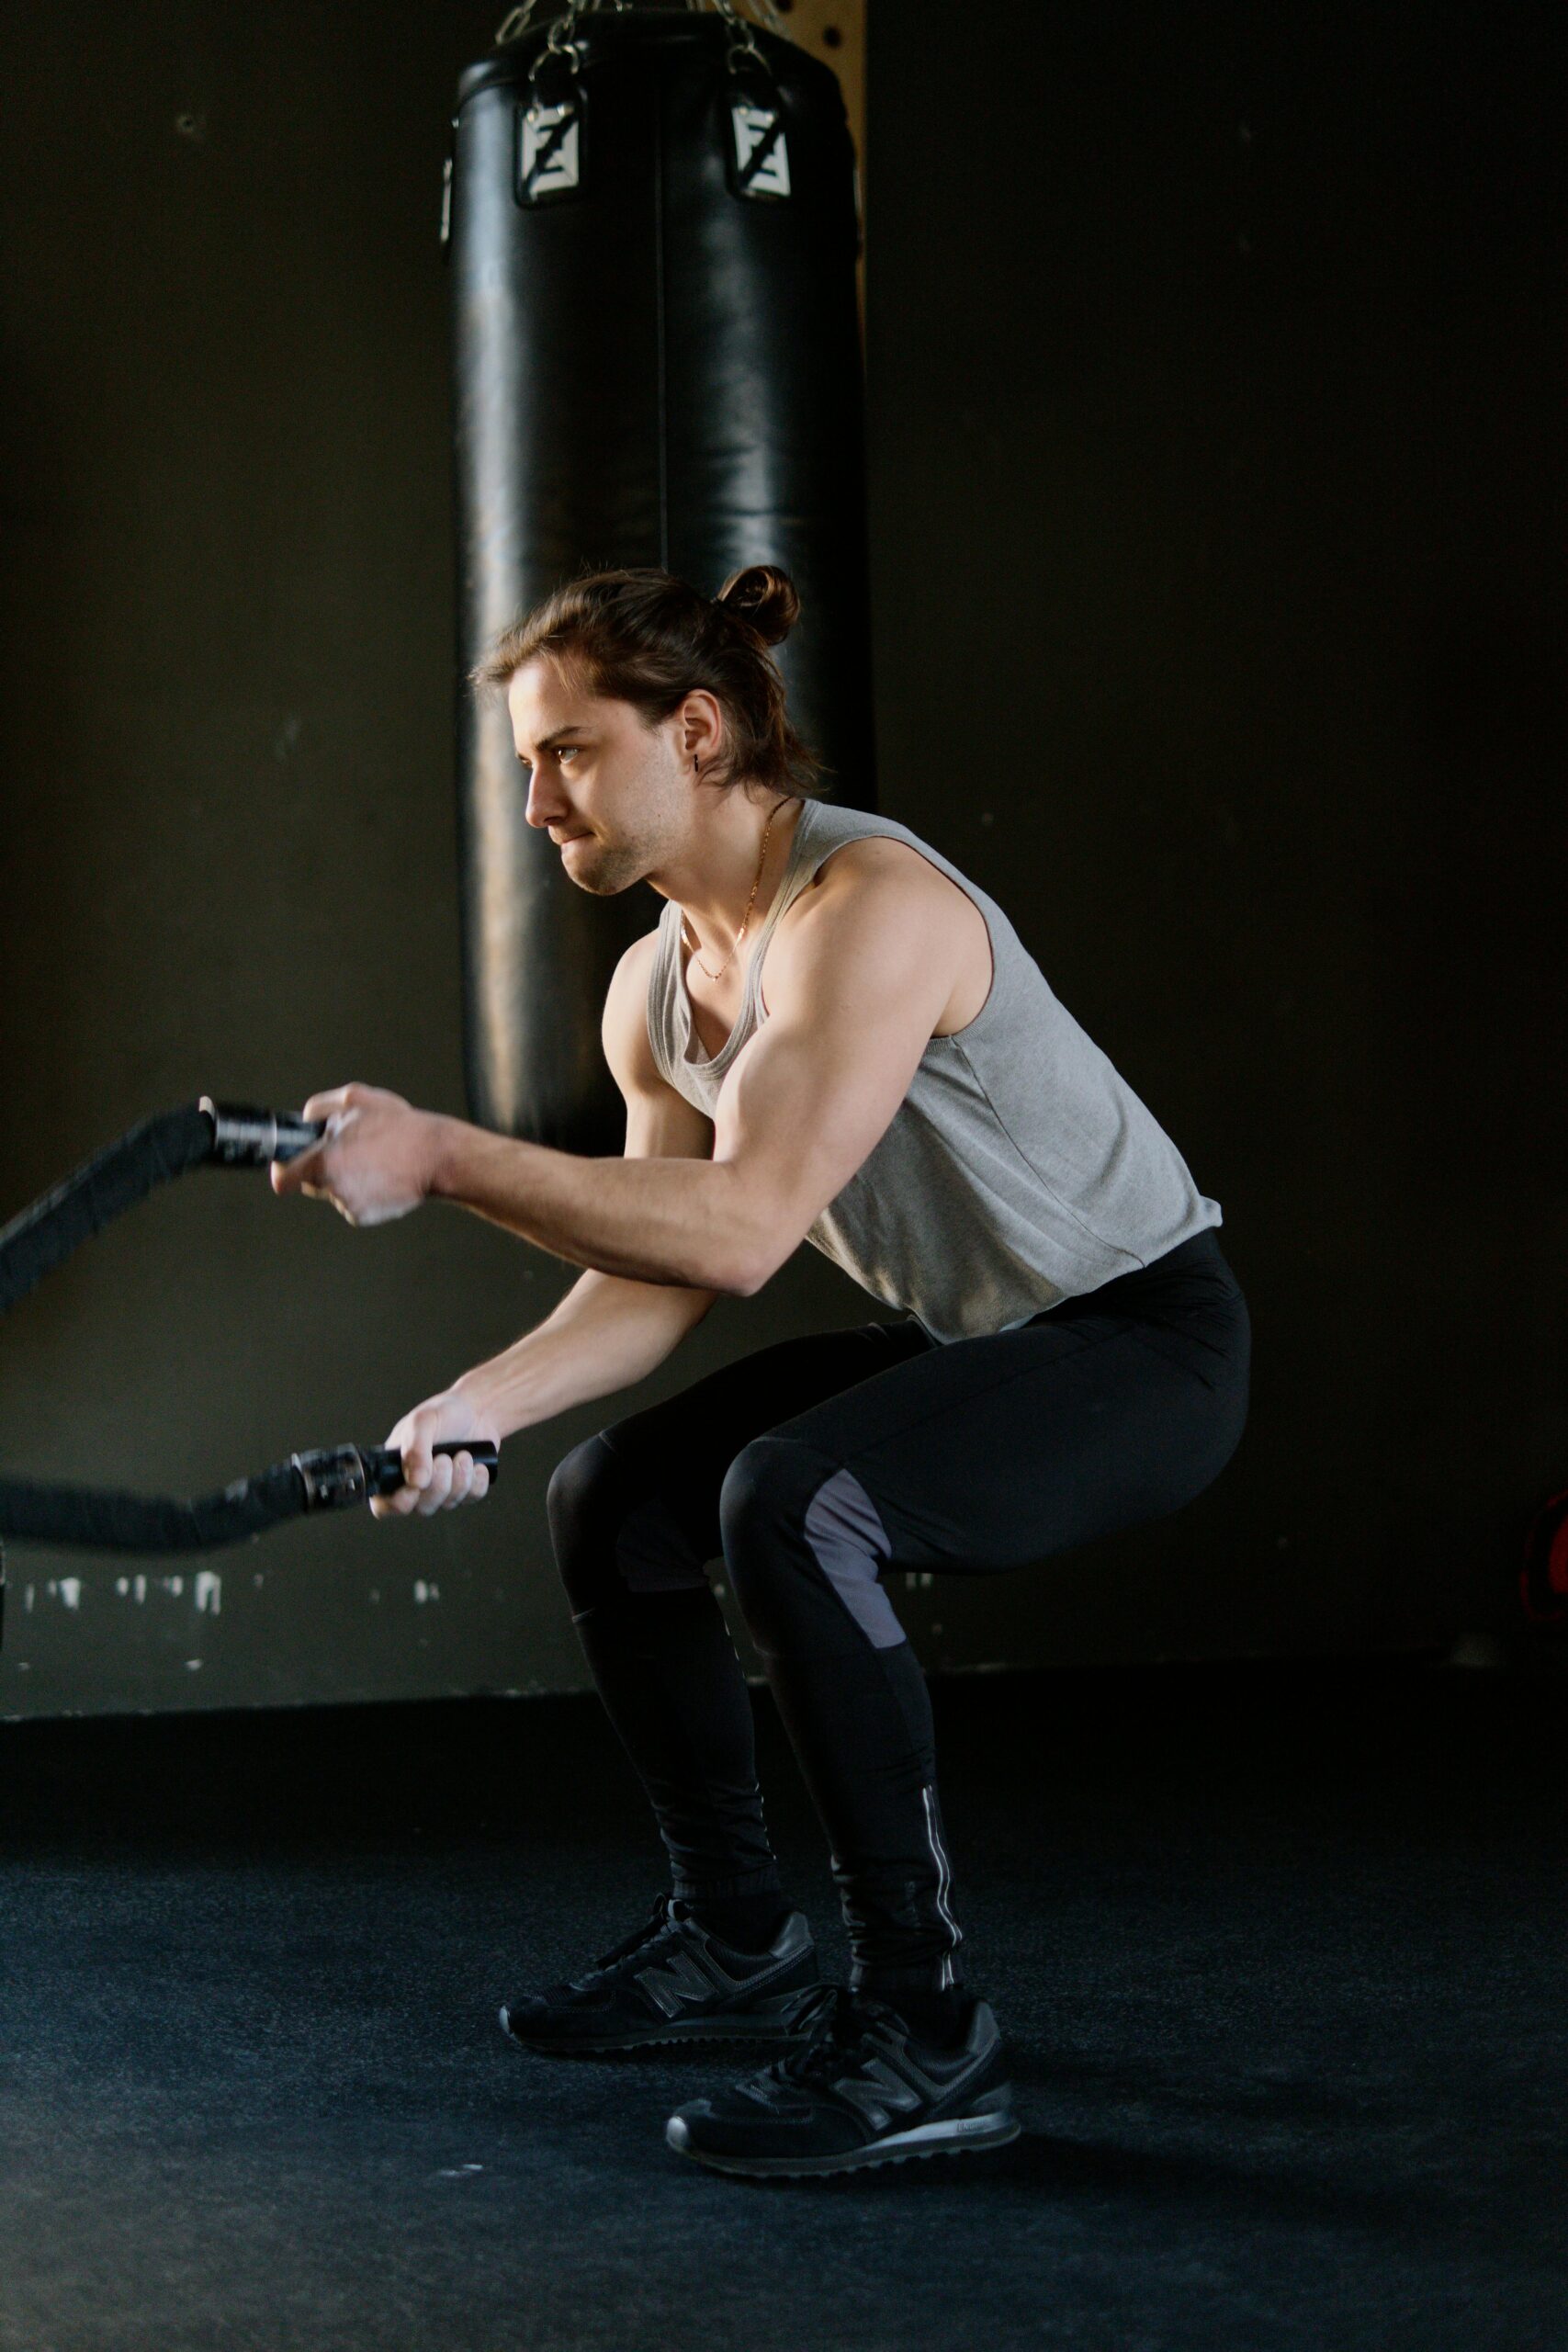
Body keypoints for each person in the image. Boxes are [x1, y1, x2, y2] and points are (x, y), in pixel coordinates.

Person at [271, 562, 1251, 2181]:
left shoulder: (870, 909)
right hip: (989, 1336)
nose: (536, 804)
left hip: (1148, 1341)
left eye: (568, 753)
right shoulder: (653, 991)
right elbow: (658, 1273)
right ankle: (736, 1937)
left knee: (794, 1500)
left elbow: (739, 1230)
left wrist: (443, 1157)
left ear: (698, 732)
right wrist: (476, 1409)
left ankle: (926, 2025)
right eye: (526, 763)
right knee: (615, 1500)